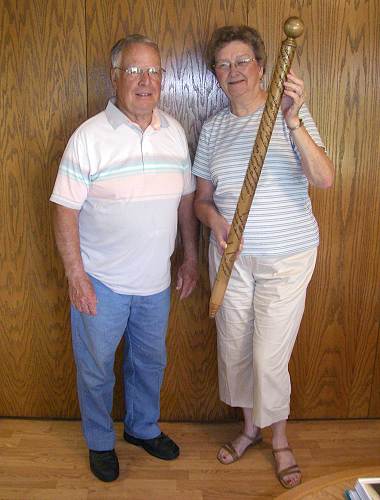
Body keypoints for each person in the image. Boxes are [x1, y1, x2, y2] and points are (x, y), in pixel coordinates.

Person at [50, 34, 198, 482]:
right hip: (102, 282)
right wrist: (76, 276)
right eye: (134, 70)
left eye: (153, 71)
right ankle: (100, 441)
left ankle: (141, 428)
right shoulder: (89, 137)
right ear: (115, 77)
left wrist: (190, 257)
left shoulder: (173, 132)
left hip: (155, 283)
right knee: (95, 370)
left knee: (149, 364)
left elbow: (186, 203)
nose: (144, 81)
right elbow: (64, 210)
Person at [193, 25, 333, 489]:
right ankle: (249, 428)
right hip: (231, 259)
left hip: (286, 255)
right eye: (223, 64)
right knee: (234, 348)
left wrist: (293, 120)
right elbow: (201, 200)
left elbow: (325, 179)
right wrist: (214, 223)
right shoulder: (212, 130)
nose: (233, 71)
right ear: (214, 74)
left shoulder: (289, 113)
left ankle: (279, 439)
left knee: (268, 355)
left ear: (262, 67)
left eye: (242, 61)